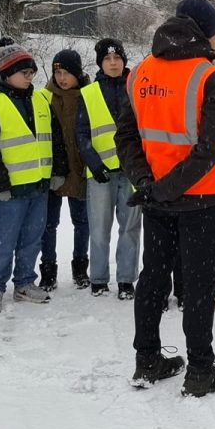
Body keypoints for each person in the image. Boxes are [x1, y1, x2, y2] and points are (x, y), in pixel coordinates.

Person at [115, 0, 215, 397]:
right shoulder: (210, 77)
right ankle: (201, 370)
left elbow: (126, 136)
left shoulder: (140, 73)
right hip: (202, 200)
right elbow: (209, 149)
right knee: (199, 286)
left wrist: (146, 184)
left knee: (152, 278)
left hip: (156, 200)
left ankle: (147, 359)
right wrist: (165, 188)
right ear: (206, 31)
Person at [0, 42, 67, 314]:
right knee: (3, 241)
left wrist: (58, 171)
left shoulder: (41, 100)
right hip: (7, 191)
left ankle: (25, 283)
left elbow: (55, 139)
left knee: (31, 239)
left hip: (38, 186)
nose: (29, 77)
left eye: (31, 72)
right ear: (6, 73)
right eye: (23, 72)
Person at [75, 38, 141, 299]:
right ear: (100, 63)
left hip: (132, 170)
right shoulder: (88, 93)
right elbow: (81, 133)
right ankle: (99, 279)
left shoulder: (136, 88)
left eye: (117, 58)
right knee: (99, 228)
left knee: (130, 228)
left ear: (124, 60)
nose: (113, 63)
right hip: (100, 172)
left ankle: (126, 280)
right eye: (107, 59)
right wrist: (93, 163)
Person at [39, 49, 91, 291]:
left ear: (77, 73)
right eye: (57, 72)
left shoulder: (89, 97)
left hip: (81, 170)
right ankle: (48, 271)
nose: (61, 77)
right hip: (53, 171)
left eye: (67, 72)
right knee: (48, 224)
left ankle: (80, 268)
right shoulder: (43, 98)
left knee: (82, 222)